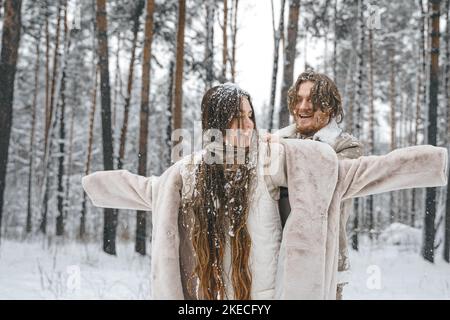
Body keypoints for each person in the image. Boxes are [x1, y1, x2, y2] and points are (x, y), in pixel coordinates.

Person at [82, 83, 448, 300]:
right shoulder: (190, 172)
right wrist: (94, 185)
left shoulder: (273, 157)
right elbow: (148, 191)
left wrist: (433, 164)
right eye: (236, 118)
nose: (246, 126)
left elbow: (351, 175)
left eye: (250, 116)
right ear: (215, 123)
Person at [275, 70, 362, 299]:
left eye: (312, 100)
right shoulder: (280, 141)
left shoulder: (346, 147)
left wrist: (279, 151)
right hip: (277, 258)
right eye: (299, 99)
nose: (303, 107)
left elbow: (321, 179)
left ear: (329, 107)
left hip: (324, 263)